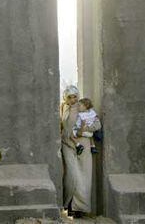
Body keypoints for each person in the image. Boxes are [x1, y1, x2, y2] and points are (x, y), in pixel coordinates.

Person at [60, 85, 101, 218]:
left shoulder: (83, 107)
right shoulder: (63, 108)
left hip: (83, 144)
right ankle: (66, 204)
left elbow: (97, 124)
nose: (73, 100)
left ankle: (78, 209)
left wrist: (83, 130)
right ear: (65, 98)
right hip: (67, 144)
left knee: (83, 176)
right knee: (71, 175)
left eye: (75, 96)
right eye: (69, 97)